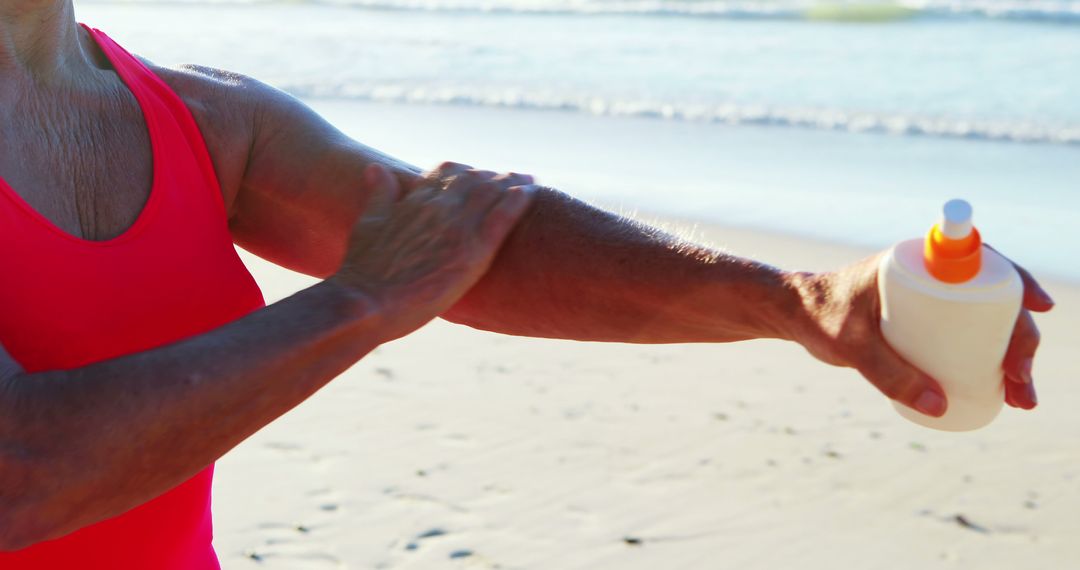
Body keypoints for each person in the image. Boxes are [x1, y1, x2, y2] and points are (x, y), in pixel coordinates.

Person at [0, 1, 1052, 567]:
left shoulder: (199, 116)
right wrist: (356, 306)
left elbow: (466, 244)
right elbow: (20, 476)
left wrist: (801, 302)